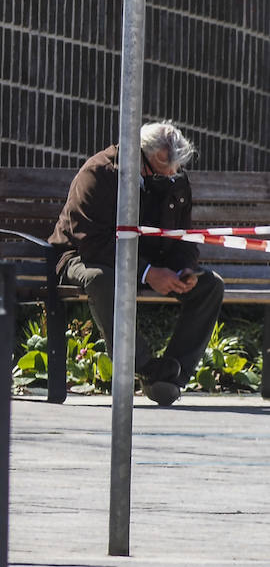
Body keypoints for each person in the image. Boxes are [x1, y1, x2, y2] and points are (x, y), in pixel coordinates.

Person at [49, 121, 224, 406]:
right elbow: (92, 242)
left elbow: (183, 237)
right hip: (84, 256)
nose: (170, 178)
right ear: (140, 156)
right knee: (102, 280)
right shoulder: (98, 174)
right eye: (162, 173)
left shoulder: (175, 179)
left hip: (151, 260)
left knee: (210, 286)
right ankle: (145, 367)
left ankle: (169, 379)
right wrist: (147, 273)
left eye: (174, 173)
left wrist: (184, 270)